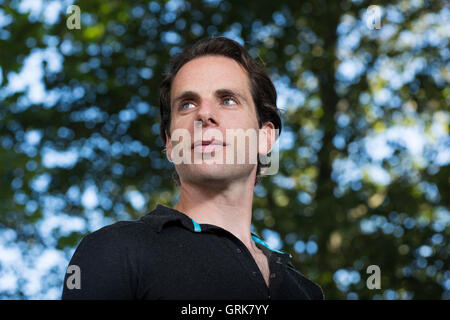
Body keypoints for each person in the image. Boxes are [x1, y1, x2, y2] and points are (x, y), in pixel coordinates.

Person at [62, 36, 324, 300]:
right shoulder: (115, 251)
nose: (203, 114)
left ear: (264, 137)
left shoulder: (306, 292)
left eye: (228, 99)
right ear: (170, 142)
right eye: (187, 104)